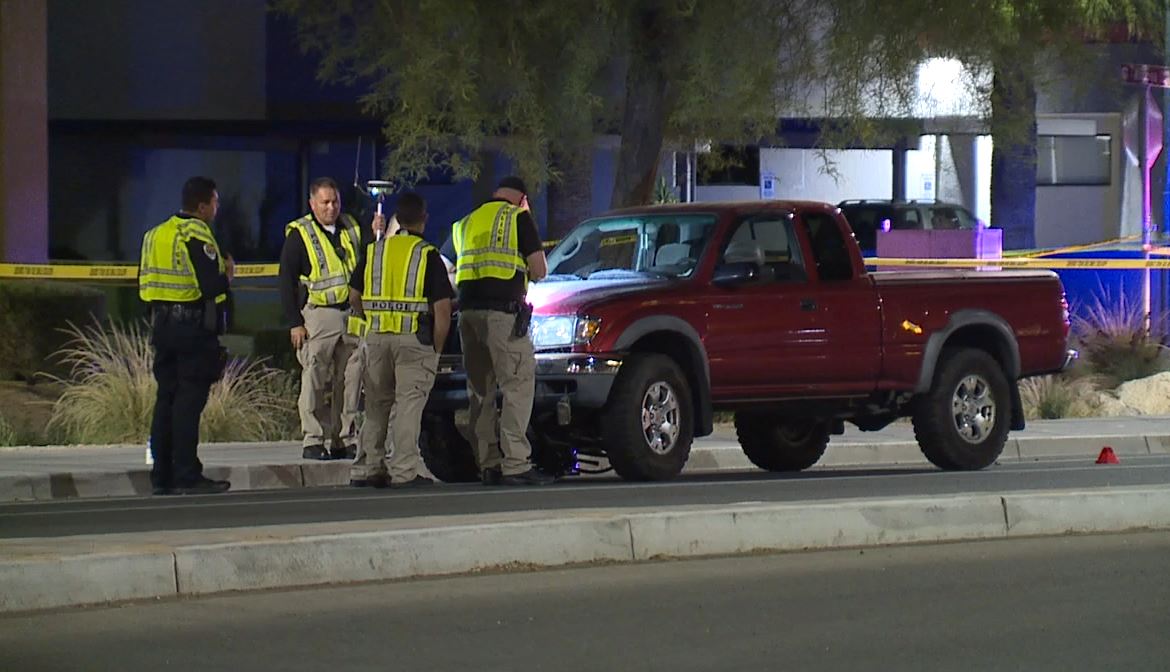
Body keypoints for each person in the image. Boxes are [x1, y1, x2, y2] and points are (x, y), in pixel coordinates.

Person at [451, 176, 554, 486]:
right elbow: (539, 270)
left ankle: (488, 463)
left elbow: (447, 266)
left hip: (467, 316)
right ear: (522, 199)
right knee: (517, 386)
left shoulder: (466, 222)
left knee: (480, 392)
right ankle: (516, 463)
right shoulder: (517, 218)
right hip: (503, 317)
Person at [347, 192, 453, 487]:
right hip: (413, 340)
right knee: (408, 405)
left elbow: (354, 296)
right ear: (424, 219)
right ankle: (404, 470)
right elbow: (443, 310)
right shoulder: (427, 254)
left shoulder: (374, 251)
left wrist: (371, 318)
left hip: (377, 338)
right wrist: (436, 348)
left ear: (398, 219)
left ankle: (369, 467)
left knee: (375, 405)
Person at [138, 176, 232, 495]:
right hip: (191, 329)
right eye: (215, 202)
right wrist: (227, 274)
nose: (216, 208)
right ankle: (187, 475)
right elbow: (210, 286)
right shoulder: (197, 234)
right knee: (188, 403)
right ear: (202, 206)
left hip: (162, 327)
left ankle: (161, 476)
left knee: (166, 399)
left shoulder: (155, 234)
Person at [280, 177, 378, 460]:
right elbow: (286, 280)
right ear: (312, 203)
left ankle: (343, 438)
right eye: (325, 202)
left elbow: (367, 257)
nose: (331, 207)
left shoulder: (351, 226)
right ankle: (312, 439)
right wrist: (294, 323)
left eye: (335, 201)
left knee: (350, 379)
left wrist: (375, 232)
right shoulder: (300, 234)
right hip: (319, 316)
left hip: (351, 314)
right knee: (314, 376)